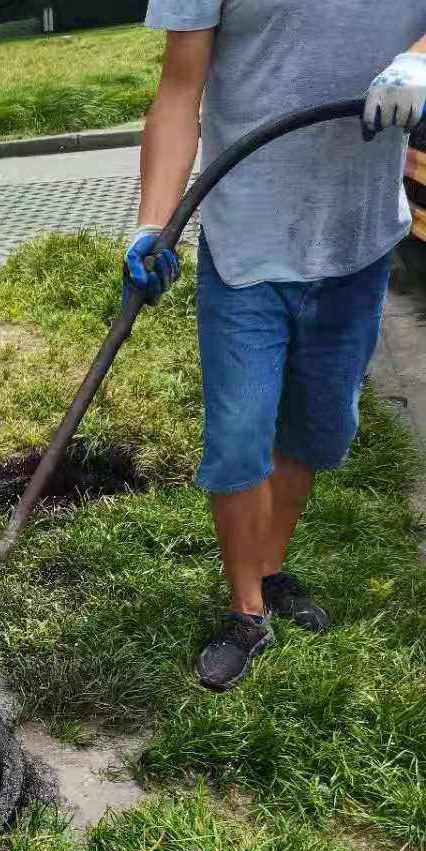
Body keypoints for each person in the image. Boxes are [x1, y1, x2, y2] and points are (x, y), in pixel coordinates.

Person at [126, 6, 426, 691]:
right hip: (248, 241)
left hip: (360, 235)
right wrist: (152, 225)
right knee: (238, 436)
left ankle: (267, 565)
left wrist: (422, 56)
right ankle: (246, 610)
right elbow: (179, 90)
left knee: (318, 426)